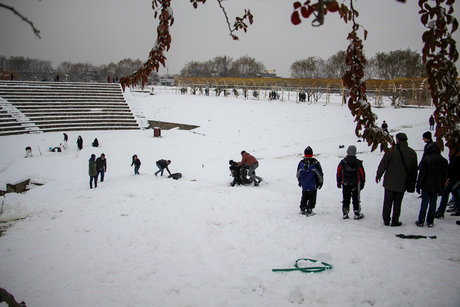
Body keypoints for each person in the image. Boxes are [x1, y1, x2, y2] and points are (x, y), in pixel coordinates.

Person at [376, 133, 418, 226]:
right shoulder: (412, 153)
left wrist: (378, 175)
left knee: (387, 201)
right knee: (398, 203)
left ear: (398, 140)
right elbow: (414, 170)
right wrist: (413, 182)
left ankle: (386, 219)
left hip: (389, 182)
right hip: (402, 182)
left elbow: (383, 165)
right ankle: (395, 220)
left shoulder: (391, 151)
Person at [415, 143, 448, 227]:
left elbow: (422, 174)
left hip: (426, 184)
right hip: (437, 185)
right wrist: (442, 187)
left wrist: (418, 186)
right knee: (433, 203)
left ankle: (421, 220)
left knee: (424, 203)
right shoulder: (444, 161)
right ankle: (430, 221)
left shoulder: (426, 160)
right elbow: (444, 176)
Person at [336, 145, 366, 220]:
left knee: (346, 198)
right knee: (356, 199)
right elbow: (362, 174)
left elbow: (339, 172)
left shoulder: (343, 162)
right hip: (355, 183)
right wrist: (362, 183)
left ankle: (345, 213)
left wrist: (339, 182)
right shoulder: (358, 163)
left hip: (345, 183)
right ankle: (357, 213)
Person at [297, 146, 324, 216]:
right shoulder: (315, 163)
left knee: (304, 196)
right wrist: (321, 182)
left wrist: (300, 181)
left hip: (304, 184)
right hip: (313, 184)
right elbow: (320, 173)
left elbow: (298, 174)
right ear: (312, 154)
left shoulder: (301, 163)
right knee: (312, 197)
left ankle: (302, 208)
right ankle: (309, 209)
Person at [435, 146, 460, 218]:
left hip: (453, 178)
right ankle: (458, 207)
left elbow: (452, 169)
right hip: (455, 178)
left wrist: (447, 178)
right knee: (454, 192)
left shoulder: (455, 159)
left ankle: (441, 211)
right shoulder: (456, 158)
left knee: (446, 193)